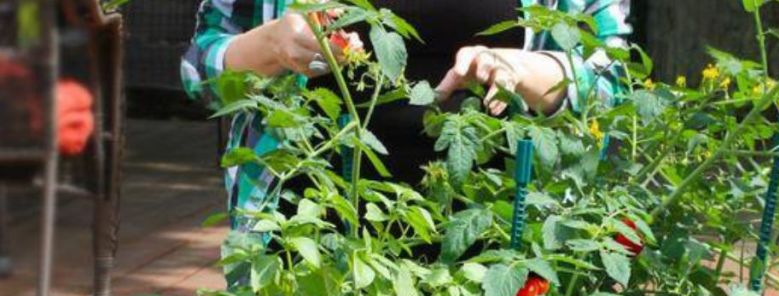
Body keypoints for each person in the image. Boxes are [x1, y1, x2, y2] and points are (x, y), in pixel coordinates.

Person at [181, 1, 631, 225]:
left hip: (498, 256)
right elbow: (199, 71)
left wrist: (524, 68)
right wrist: (271, 45)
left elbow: (611, 92)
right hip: (299, 249)